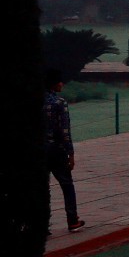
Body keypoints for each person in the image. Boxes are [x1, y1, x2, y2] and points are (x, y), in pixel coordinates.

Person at [44, 69, 84, 232]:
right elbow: (64, 131)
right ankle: (72, 219)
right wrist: (71, 153)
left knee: (42, 188)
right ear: (54, 84)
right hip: (56, 150)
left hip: (37, 150)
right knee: (67, 185)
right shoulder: (59, 103)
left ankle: (42, 224)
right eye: (60, 81)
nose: (62, 84)